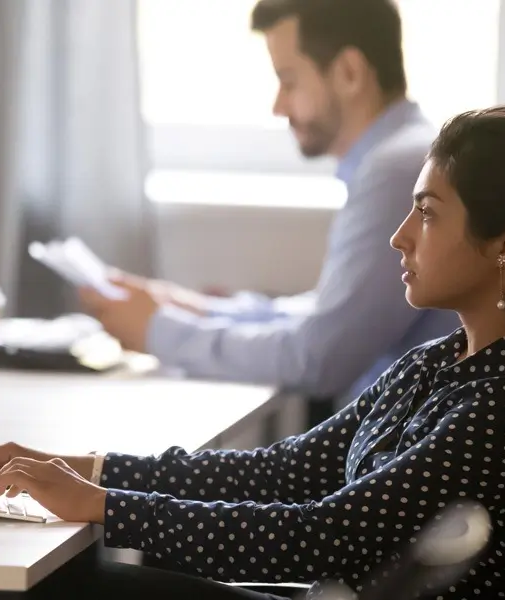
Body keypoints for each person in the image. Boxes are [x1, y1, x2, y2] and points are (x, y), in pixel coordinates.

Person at [0, 104, 505, 599]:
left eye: (426, 213)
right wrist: (82, 470)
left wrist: (103, 505)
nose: (399, 237)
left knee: (71, 584)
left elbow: (325, 534)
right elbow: (288, 472)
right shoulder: (444, 364)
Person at [79, 0, 460, 402]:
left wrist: (160, 331)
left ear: (349, 73)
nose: (278, 106)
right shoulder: (404, 155)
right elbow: (328, 316)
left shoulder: (396, 172)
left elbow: (318, 357)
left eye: (289, 80)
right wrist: (197, 310)